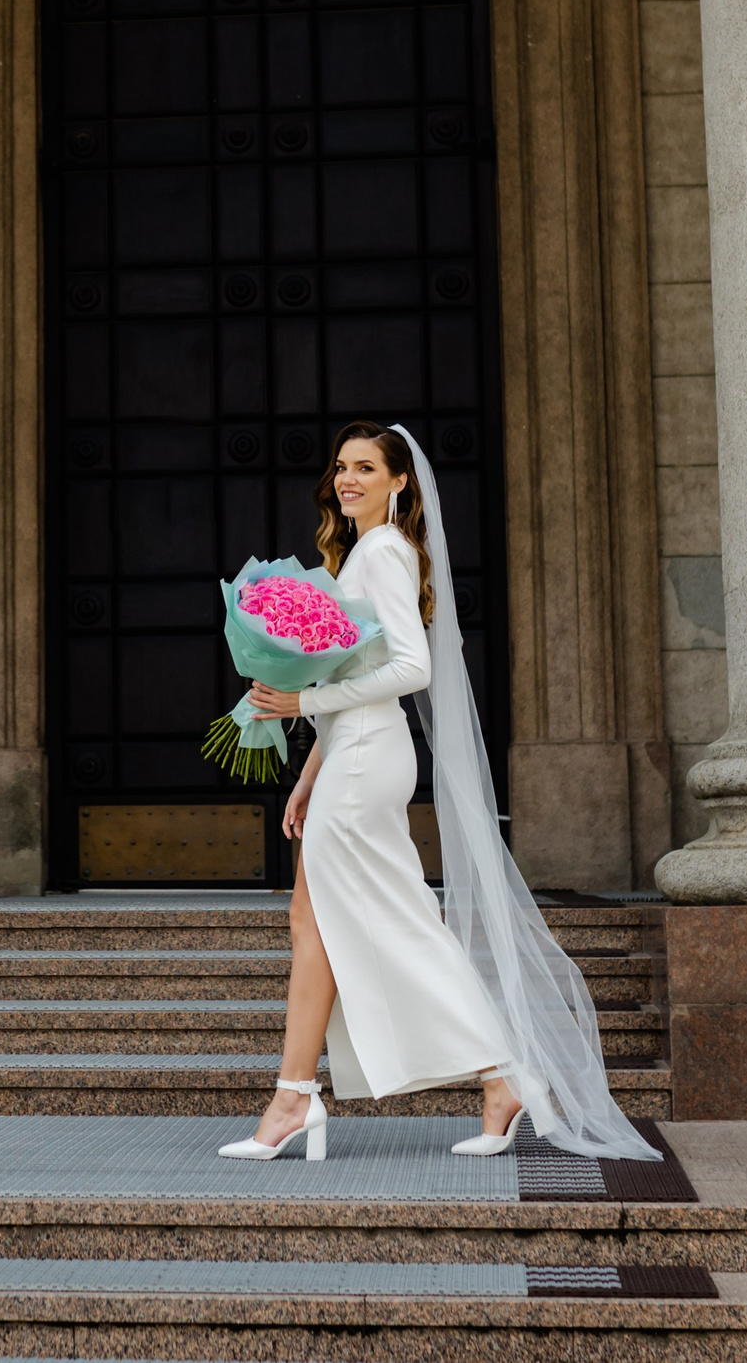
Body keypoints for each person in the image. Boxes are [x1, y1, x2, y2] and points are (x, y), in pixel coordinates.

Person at [216, 420, 661, 1164]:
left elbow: (411, 669)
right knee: (317, 921)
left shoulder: (384, 550)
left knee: (371, 922)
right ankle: (322, 1092)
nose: (347, 478)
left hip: (367, 758)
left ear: (399, 482)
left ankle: (353, 1090)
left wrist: (301, 704)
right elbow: (352, 674)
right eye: (341, 466)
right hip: (353, 755)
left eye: (366, 467)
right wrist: (309, 773)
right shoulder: (361, 552)